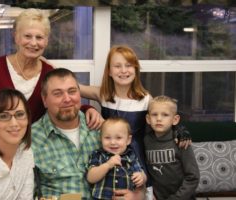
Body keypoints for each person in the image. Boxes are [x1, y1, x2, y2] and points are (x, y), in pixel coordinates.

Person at [0, 8, 102, 144]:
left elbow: (60, 104)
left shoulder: (48, 73)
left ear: (46, 41)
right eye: (27, 36)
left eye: (39, 37)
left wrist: (87, 110)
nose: (33, 43)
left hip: (33, 151)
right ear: (16, 37)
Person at [80, 45, 192, 199]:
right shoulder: (103, 94)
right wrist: (43, 63)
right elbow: (71, 87)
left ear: (136, 69)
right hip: (109, 154)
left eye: (128, 65)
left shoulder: (145, 99)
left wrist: (180, 129)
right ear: (109, 72)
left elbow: (163, 116)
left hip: (137, 156)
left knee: (136, 192)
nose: (123, 70)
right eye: (117, 66)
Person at [31, 68, 143, 200]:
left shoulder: (103, 129)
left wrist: (136, 196)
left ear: (79, 94)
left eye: (72, 91)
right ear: (45, 100)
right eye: (57, 93)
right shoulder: (32, 139)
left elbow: (136, 174)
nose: (67, 99)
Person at [144, 95, 199, 200]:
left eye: (165, 115)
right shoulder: (146, 141)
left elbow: (193, 177)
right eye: (154, 114)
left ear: (175, 119)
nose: (159, 119)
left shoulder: (181, 141)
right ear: (148, 119)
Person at [87, 117, 146, 200]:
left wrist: (142, 177)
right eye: (107, 138)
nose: (113, 142)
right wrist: (107, 165)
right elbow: (91, 178)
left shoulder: (131, 156)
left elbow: (141, 172)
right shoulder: (98, 155)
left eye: (118, 138)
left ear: (128, 140)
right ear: (100, 138)